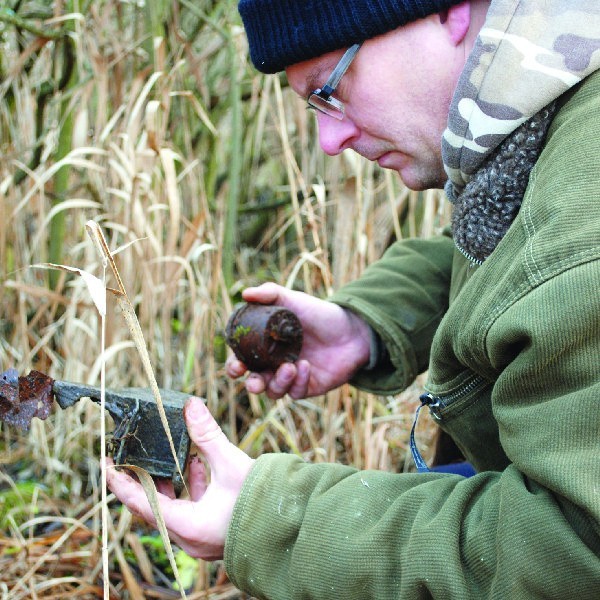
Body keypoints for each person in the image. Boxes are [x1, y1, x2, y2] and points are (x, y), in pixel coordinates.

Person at [107, 0, 600, 597]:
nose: (329, 140)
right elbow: (510, 251)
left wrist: (271, 521)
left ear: (451, 13)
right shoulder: (552, 114)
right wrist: (365, 325)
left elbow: (570, 552)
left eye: (331, 89)